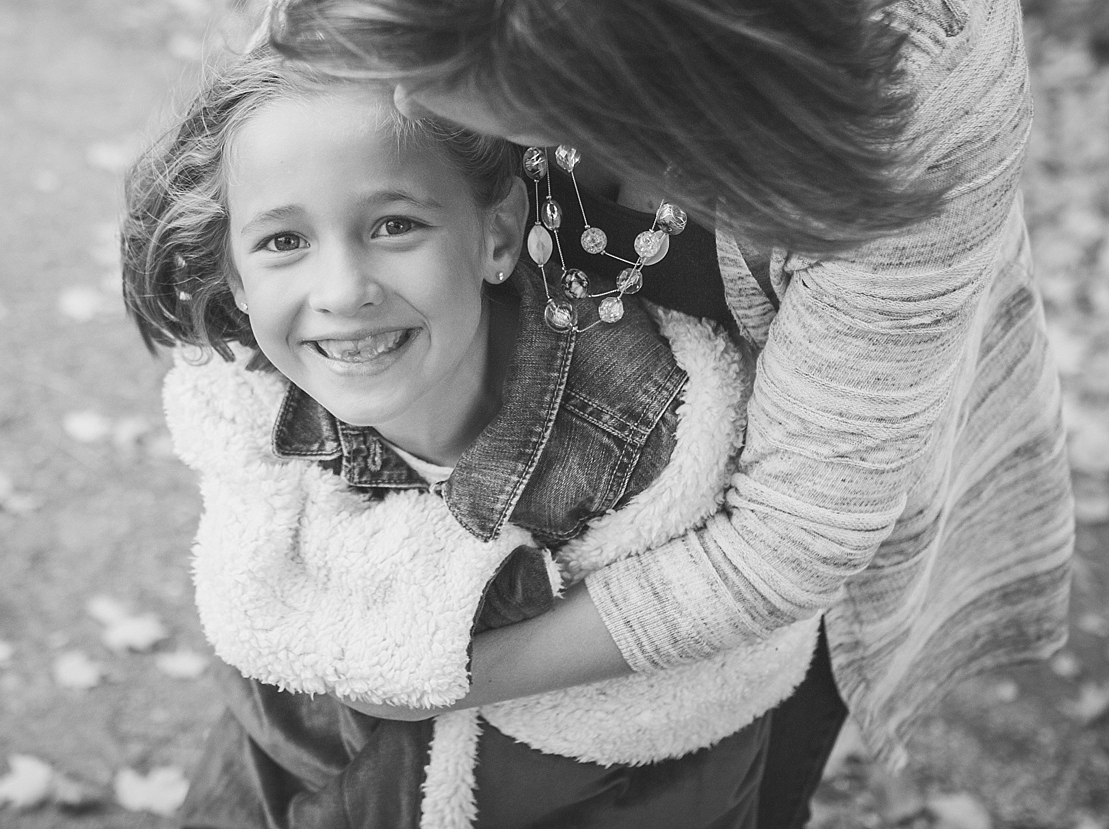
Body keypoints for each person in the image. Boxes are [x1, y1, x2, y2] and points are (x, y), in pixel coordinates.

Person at [264, 0, 1075, 826]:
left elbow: (794, 529)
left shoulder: (918, 82)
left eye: (439, 85)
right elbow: (272, 137)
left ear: (629, 108)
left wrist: (445, 671)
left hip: (712, 619)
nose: (386, 105)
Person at [120, 47, 821, 826]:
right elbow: (270, 748)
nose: (344, 291)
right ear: (238, 278)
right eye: (284, 241)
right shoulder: (259, 421)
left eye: (394, 225)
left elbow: (705, 673)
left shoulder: (646, 435)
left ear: (496, 236)